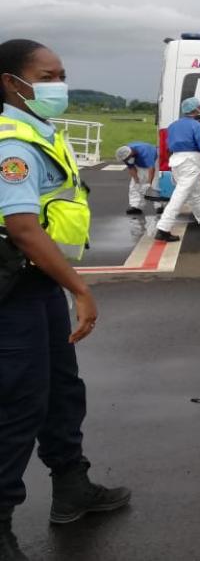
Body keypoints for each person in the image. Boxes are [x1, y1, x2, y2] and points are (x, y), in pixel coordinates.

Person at [0, 39, 130, 561]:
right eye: (47, 75)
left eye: (61, 74)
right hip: (14, 290)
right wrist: (81, 288)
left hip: (38, 285)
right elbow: (24, 228)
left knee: (60, 389)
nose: (58, 84)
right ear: (12, 82)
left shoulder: (37, 130)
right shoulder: (12, 142)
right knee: (17, 405)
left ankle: (72, 487)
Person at [153, 97, 200, 242]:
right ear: (195, 110)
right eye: (199, 107)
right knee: (179, 196)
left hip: (176, 161)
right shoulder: (198, 127)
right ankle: (163, 229)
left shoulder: (173, 126)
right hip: (191, 162)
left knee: (195, 197)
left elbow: (169, 148)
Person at [115, 142, 157, 215]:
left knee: (156, 183)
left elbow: (151, 168)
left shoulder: (145, 152)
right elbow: (131, 168)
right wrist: (137, 181)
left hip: (156, 161)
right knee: (134, 186)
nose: (126, 160)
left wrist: (149, 183)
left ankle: (160, 206)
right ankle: (135, 206)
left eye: (127, 159)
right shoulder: (125, 155)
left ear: (131, 154)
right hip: (139, 163)